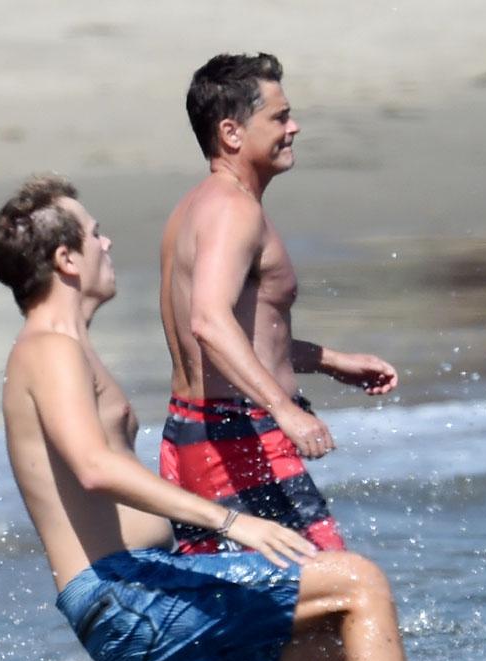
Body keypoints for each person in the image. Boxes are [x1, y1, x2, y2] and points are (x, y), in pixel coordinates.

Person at [0, 174, 486, 661]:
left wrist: (324, 360)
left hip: (146, 588)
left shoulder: (67, 347)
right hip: (123, 601)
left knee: (357, 644)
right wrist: (233, 522)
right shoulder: (49, 350)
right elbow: (93, 466)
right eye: (95, 234)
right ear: (66, 260)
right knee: (360, 580)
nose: (108, 244)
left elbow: (228, 344)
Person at [158, 53, 398, 555]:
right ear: (232, 133)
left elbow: (243, 333)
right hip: (237, 436)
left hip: (195, 433)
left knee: (259, 615)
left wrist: (331, 361)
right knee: (344, 589)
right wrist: (285, 409)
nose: (295, 126)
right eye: (279, 116)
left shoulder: (195, 207)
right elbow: (208, 321)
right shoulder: (232, 211)